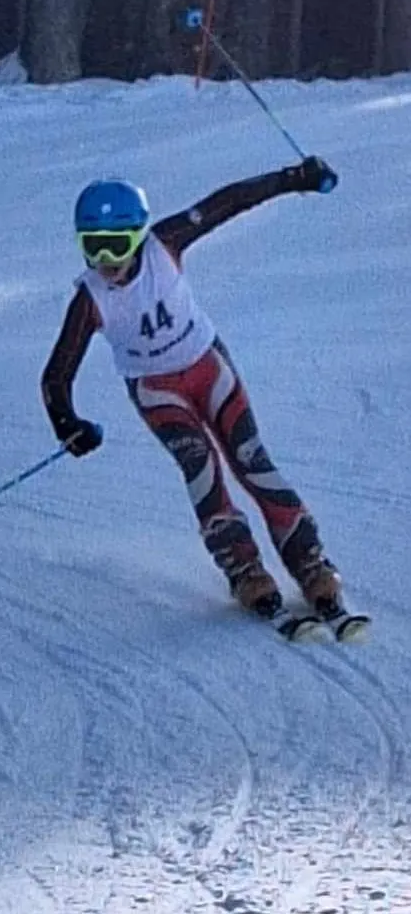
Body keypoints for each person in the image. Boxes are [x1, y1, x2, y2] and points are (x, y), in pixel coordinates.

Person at [41, 158, 342, 620]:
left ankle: (309, 560)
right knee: (199, 464)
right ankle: (243, 567)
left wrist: (293, 179)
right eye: (92, 246)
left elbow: (230, 201)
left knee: (250, 459)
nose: (106, 261)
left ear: (138, 237)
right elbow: (56, 375)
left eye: (116, 245)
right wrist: (67, 422)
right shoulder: (90, 299)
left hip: (207, 366)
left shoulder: (165, 244)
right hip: (157, 390)